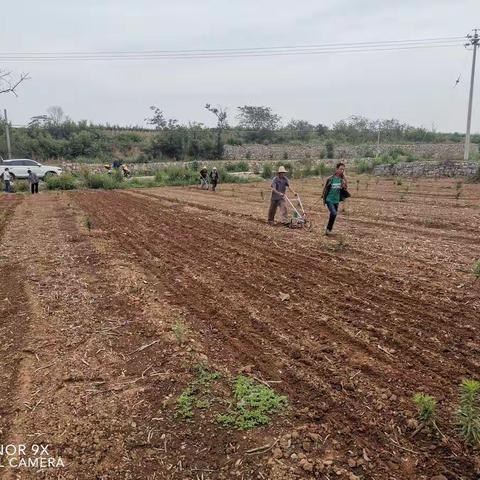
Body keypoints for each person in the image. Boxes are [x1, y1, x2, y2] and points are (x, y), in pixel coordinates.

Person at [322, 162, 350, 235]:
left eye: (343, 170)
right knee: (334, 213)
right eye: (341, 169)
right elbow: (325, 188)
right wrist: (323, 196)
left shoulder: (342, 180)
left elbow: (345, 187)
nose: (342, 171)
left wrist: (344, 180)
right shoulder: (331, 179)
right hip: (329, 199)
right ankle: (328, 229)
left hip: (336, 200)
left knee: (333, 215)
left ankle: (328, 230)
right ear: (337, 169)